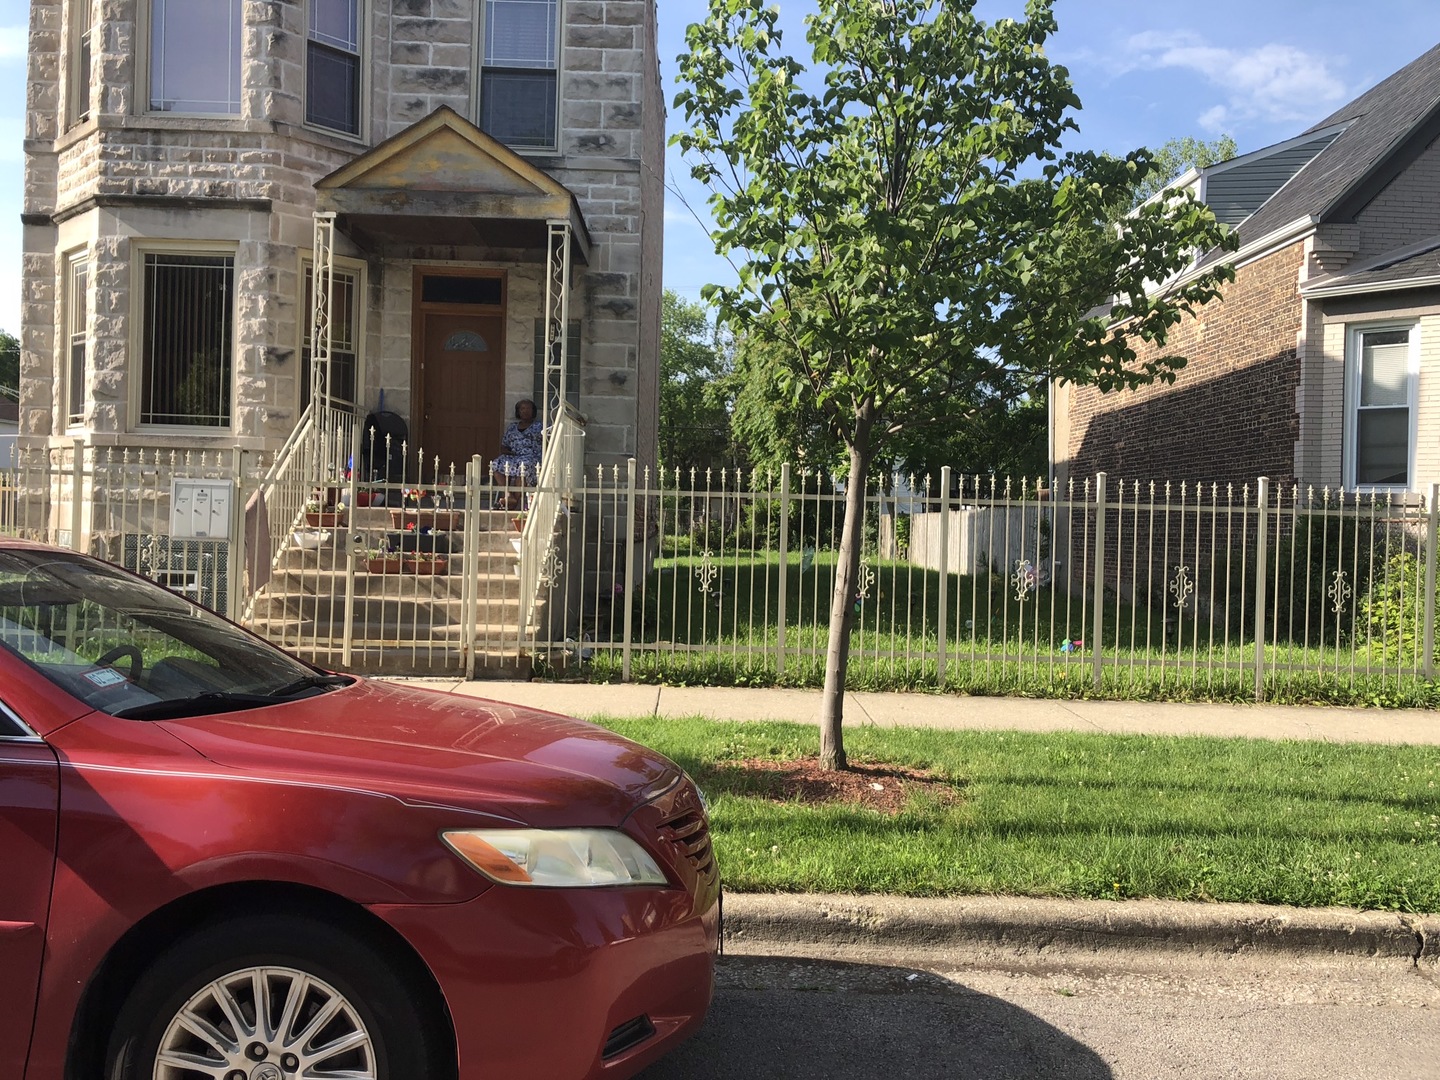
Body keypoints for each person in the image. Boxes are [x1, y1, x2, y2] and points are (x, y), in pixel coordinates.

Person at [491, 398, 543, 509]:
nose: (525, 411)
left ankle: (514, 501)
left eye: (528, 408)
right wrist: (510, 453)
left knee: (523, 467)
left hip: (531, 457)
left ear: (533, 411)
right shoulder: (512, 427)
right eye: (522, 408)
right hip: (514, 456)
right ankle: (508, 494)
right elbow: (504, 446)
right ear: (518, 411)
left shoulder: (540, 427)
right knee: (496, 464)